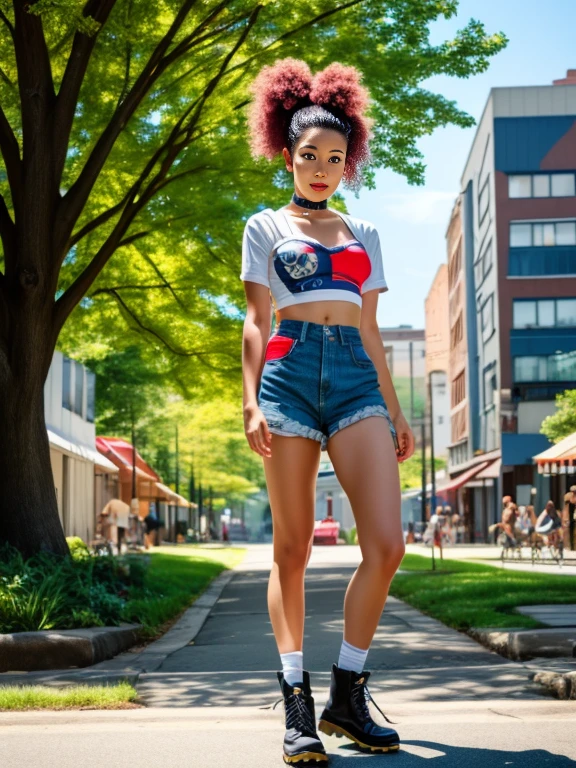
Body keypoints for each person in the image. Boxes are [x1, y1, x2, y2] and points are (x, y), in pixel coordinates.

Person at [240, 58, 415, 764]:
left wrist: (397, 410)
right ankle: (297, 705)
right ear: (287, 154)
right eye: (309, 156)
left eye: (334, 159)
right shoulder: (263, 226)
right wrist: (249, 400)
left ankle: (347, 689)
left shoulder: (366, 234)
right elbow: (255, 321)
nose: (320, 169)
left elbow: (371, 331)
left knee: (387, 543)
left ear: (348, 165)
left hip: (353, 377)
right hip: (285, 373)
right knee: (292, 549)